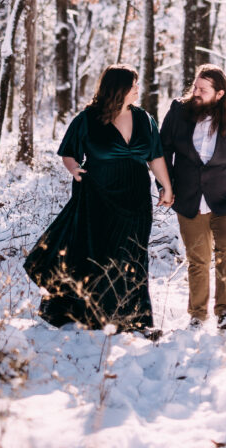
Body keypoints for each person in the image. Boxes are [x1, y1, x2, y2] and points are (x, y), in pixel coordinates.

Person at [24, 64, 173, 335]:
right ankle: (96, 314)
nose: (138, 89)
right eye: (133, 84)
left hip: (136, 196)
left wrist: (166, 186)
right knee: (100, 254)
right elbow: (68, 152)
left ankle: (133, 318)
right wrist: (74, 169)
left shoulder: (144, 119)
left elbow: (155, 156)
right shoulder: (89, 119)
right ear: (119, 88)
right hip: (99, 195)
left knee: (133, 254)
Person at [160, 64, 226, 331]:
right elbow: (163, 150)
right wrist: (165, 187)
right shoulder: (178, 111)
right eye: (195, 87)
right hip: (188, 197)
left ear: (219, 94)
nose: (195, 92)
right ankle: (197, 313)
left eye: (202, 90)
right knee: (198, 258)